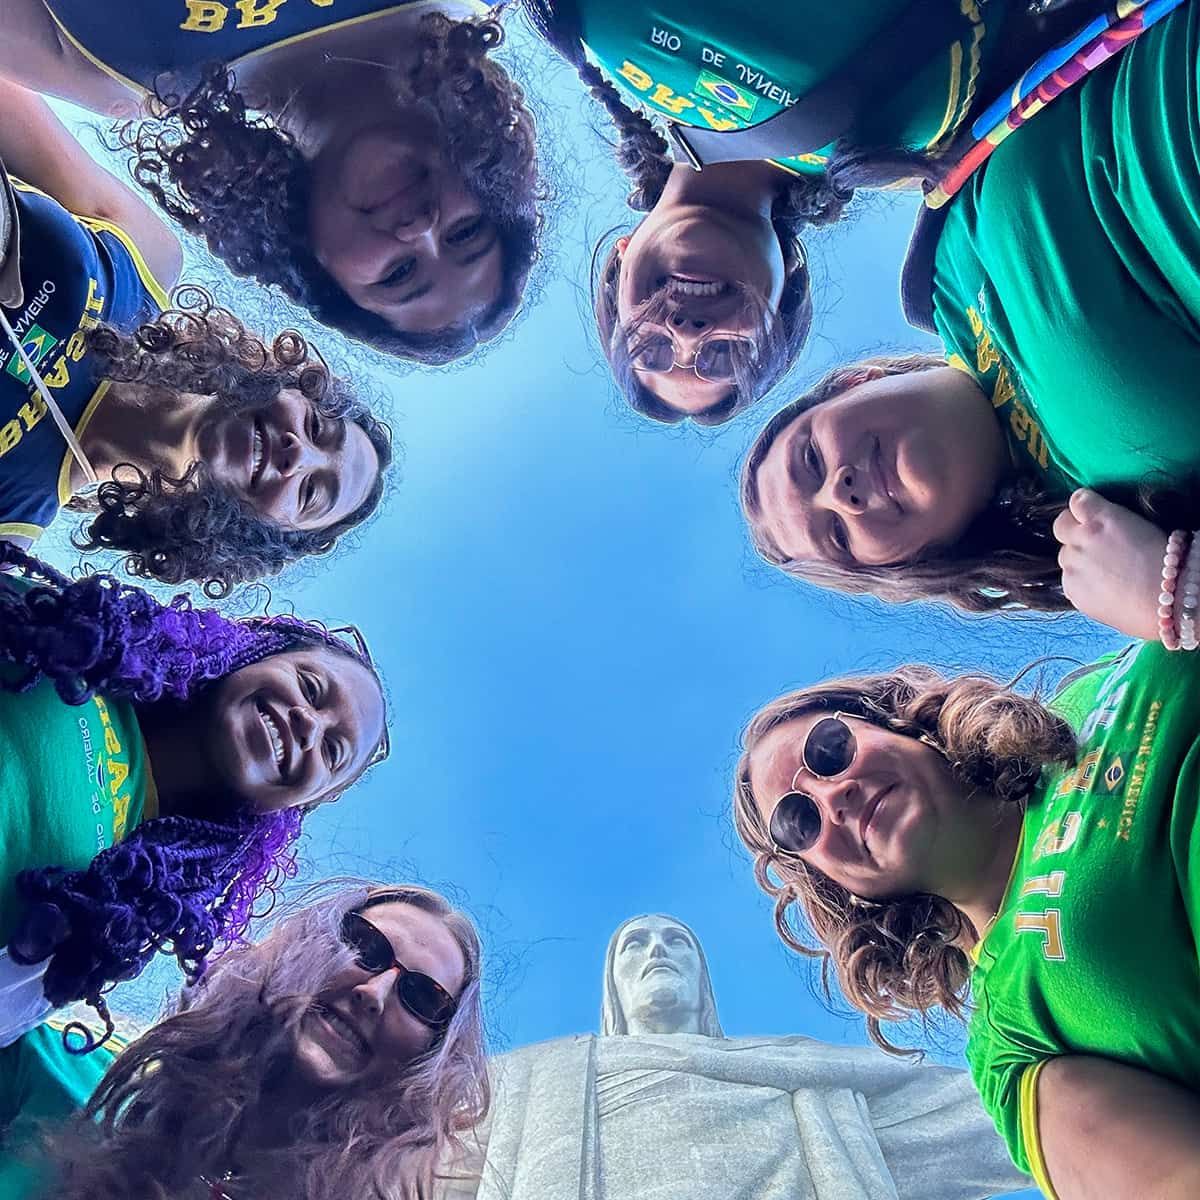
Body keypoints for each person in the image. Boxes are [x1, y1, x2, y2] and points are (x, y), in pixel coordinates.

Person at [739, 1, 1200, 622]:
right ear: (904, 566)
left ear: (855, 383)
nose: (841, 494)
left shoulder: (941, 265)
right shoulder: (1107, 539)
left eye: (811, 461)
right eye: (838, 538)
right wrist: (1183, 596)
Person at [733, 641, 1200, 1199]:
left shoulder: (1082, 700)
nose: (834, 798)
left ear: (896, 723)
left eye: (829, 750)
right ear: (840, 886)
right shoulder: (1013, 1047)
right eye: (798, 821)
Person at [524, 0, 1097, 424]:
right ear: (788, 291)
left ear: (621, 261)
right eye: (722, 357)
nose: (686, 333)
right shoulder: (922, 156)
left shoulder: (592, 29)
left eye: (650, 347)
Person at [0, 83, 392, 591]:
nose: (299, 454)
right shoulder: (148, 258)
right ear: (291, 384)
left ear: (256, 536)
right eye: (318, 427)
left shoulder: (12, 523)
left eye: (312, 492)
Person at [0, 0, 541, 365]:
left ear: (316, 264)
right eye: (467, 233)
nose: (423, 230)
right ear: (492, 175)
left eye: (399, 273)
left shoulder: (115, 72)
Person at [0, 547, 389, 1050]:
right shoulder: (76, 632)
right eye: (312, 687)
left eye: (333, 752)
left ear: (297, 805)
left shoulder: (115, 913)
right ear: (255, 652)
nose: (309, 724)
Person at [438, 911, 1027, 1198]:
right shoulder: (529, 1085)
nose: (656, 952)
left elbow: (1003, 1109)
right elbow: (398, 1169)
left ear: (703, 979)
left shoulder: (801, 1072)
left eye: (676, 943)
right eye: (634, 946)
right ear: (612, 986)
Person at [4, 883, 488, 1200]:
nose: (374, 993)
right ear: (306, 947)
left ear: (430, 1059)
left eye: (423, 997)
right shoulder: (55, 1068)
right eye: (365, 946)